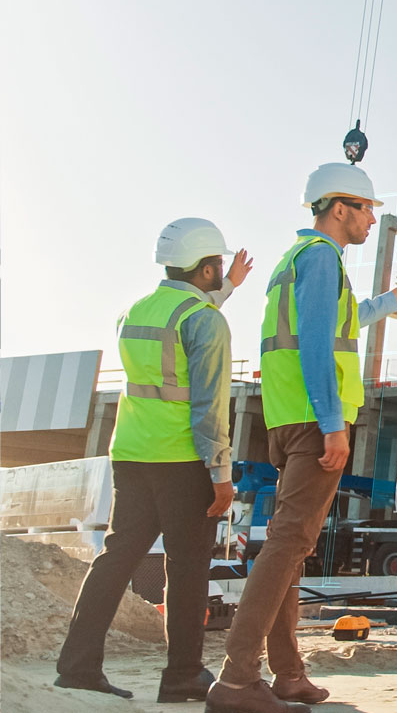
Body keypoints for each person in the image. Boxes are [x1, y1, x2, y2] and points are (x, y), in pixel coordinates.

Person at [205, 162, 397, 713]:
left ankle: (288, 674)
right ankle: (235, 679)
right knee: (288, 545)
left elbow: (338, 325)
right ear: (339, 208)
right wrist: (332, 425)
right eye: (366, 208)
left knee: (287, 547)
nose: (373, 218)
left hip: (286, 418)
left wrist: (394, 298)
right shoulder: (323, 259)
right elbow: (319, 346)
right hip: (313, 420)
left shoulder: (296, 260)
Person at [56, 218, 253, 703]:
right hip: (182, 459)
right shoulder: (206, 321)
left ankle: (77, 667)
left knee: (116, 556)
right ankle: (183, 674)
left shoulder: (134, 311)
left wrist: (228, 288)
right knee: (187, 567)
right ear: (206, 267)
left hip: (131, 455)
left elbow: (179, 326)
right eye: (219, 266)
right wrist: (221, 474)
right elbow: (209, 406)